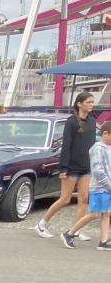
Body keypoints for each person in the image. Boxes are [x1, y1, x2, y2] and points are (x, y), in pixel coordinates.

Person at [37, 91, 97, 240]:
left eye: (92, 102)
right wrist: (63, 167)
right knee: (65, 198)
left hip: (86, 167)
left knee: (83, 199)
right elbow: (66, 146)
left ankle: (75, 230)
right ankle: (42, 224)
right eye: (89, 102)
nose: (91, 105)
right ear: (79, 104)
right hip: (71, 167)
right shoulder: (71, 122)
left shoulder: (92, 121)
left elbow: (92, 145)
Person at [62, 120, 111, 250]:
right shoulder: (97, 149)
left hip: (107, 188)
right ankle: (69, 234)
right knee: (94, 214)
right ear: (105, 133)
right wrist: (109, 186)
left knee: (106, 213)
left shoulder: (108, 148)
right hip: (99, 188)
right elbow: (98, 171)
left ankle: (103, 241)